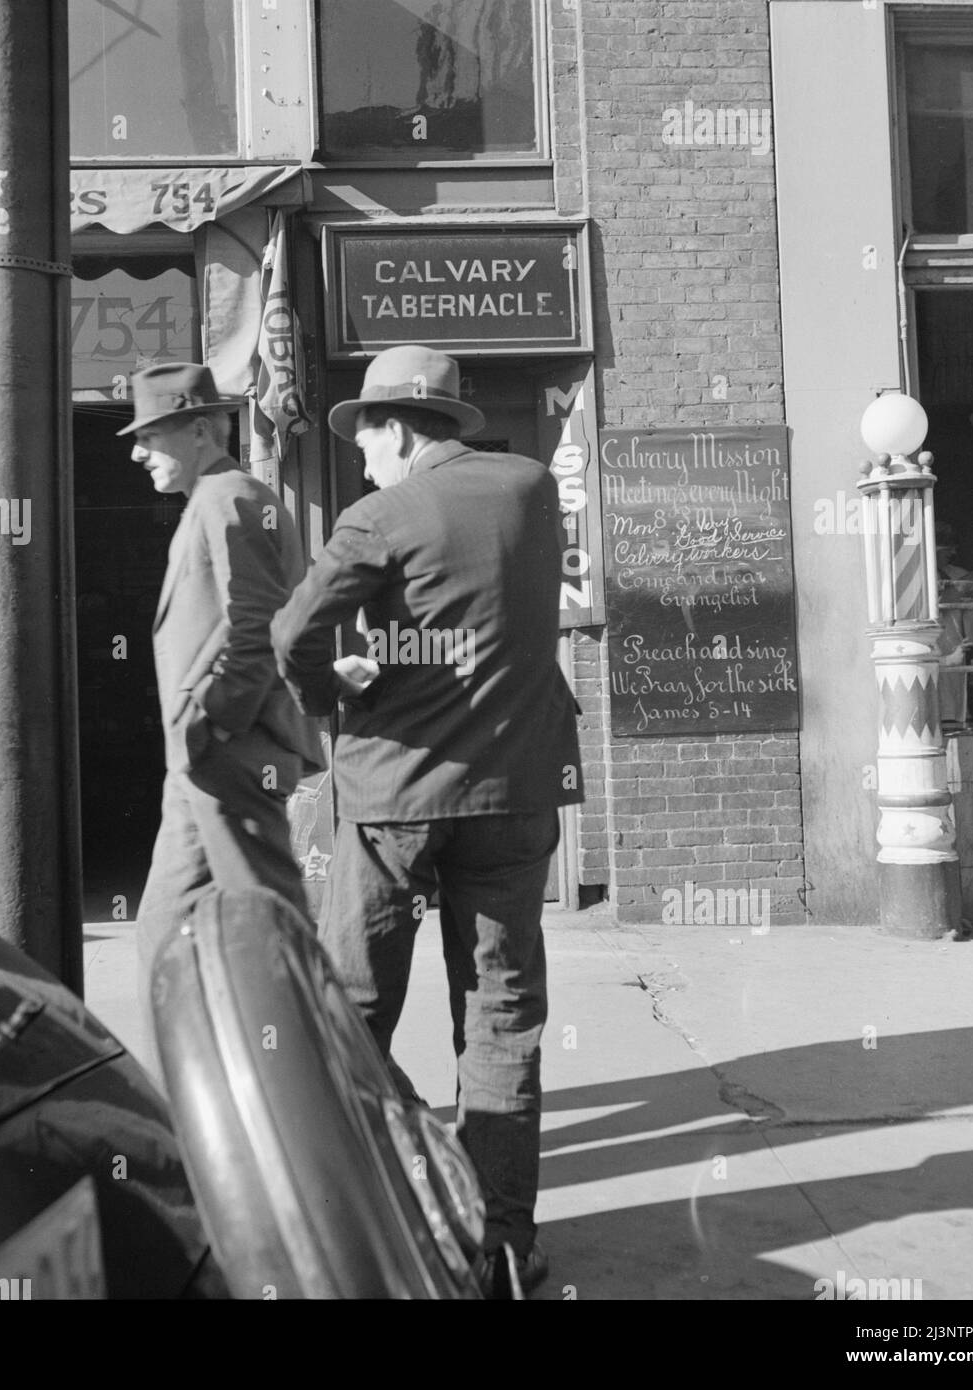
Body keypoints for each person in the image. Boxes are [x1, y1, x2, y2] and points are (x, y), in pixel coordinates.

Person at [271, 344, 584, 1298]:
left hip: (397, 793)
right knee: (501, 1011)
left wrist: (339, 686)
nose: (360, 456)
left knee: (356, 1011)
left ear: (402, 429)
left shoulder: (381, 513)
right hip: (516, 789)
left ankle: (375, 1215)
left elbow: (294, 633)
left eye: (365, 436)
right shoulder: (533, 490)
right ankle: (498, 1250)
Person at [119, 363, 325, 1049]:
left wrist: (211, 721)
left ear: (202, 429)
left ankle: (336, 1090)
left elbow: (258, 625)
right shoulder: (218, 498)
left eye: (151, 436)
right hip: (207, 761)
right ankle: (193, 1105)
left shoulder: (228, 498)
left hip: (230, 754)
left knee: (271, 934)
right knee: (163, 933)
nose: (136, 451)